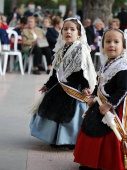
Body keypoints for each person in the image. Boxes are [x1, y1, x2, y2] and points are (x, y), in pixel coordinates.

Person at [74, 28, 127, 170]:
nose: (111, 45)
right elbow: (99, 84)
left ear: (123, 46)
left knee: (112, 137)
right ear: (103, 45)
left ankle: (115, 163)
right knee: (92, 132)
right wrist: (93, 97)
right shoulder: (105, 65)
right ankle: (91, 161)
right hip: (101, 105)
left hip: (117, 108)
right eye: (108, 41)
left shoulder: (123, 67)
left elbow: (123, 90)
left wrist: (109, 105)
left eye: (116, 42)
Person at [29, 18, 96, 148]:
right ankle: (55, 138)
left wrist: (85, 86)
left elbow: (83, 71)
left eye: (72, 29)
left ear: (79, 33)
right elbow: (56, 71)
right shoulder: (61, 49)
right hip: (61, 85)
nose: (68, 32)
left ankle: (70, 140)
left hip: (75, 88)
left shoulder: (80, 49)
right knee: (54, 108)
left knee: (70, 115)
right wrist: (48, 84)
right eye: (65, 29)